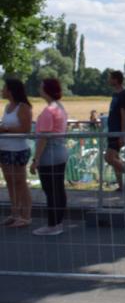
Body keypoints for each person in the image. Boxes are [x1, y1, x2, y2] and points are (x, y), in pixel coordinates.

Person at [29, 78, 69, 236]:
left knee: (51, 191)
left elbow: (43, 138)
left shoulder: (48, 111)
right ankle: (58, 222)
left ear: (47, 90)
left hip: (49, 155)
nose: (39, 89)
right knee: (58, 189)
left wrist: (36, 159)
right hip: (60, 152)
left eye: (41, 87)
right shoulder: (60, 107)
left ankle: (53, 225)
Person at [0, 78, 33, 228]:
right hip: (4, 149)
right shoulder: (8, 106)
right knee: (10, 182)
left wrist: (5, 129)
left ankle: (26, 215)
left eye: (4, 88)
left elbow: (25, 129)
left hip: (18, 150)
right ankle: (15, 213)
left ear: (11, 91)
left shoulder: (23, 107)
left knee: (20, 183)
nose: (2, 90)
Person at [104, 70, 125, 192]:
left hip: (117, 131)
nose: (108, 80)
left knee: (109, 158)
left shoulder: (124, 95)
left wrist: (122, 134)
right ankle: (121, 186)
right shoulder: (115, 94)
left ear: (116, 80)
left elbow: (124, 115)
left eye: (110, 78)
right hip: (112, 130)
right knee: (115, 158)